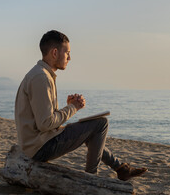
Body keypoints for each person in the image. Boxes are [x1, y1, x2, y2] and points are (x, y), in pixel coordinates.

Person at [14, 30, 147, 181]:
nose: (69, 58)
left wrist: (68, 106)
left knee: (89, 128)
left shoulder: (41, 74)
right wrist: (73, 108)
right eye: (67, 53)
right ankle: (91, 178)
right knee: (100, 124)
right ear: (55, 52)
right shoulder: (41, 77)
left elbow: (44, 119)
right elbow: (45, 124)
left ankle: (120, 168)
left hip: (38, 143)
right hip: (39, 148)